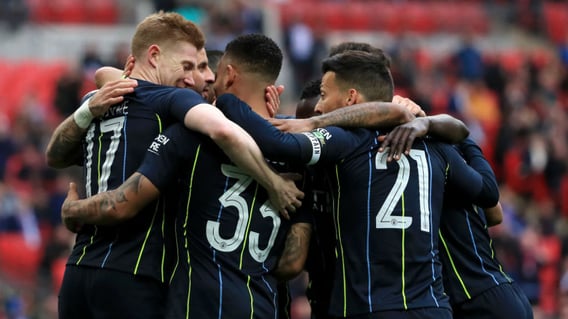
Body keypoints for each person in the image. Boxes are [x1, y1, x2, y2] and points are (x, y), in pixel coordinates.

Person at [46, 12, 302, 319]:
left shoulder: (99, 99)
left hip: (78, 270)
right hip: (137, 275)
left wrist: (86, 109)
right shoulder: (171, 101)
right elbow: (221, 129)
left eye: (202, 68)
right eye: (188, 66)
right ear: (154, 56)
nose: (197, 78)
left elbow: (55, 155)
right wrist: (274, 181)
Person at [216, 49, 500, 318]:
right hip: (433, 306)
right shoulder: (435, 144)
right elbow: (490, 199)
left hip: (367, 306)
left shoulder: (348, 142)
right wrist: (450, 132)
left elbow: (277, 142)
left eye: (324, 95)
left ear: (351, 98)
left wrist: (226, 97)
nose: (318, 107)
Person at [439, 199, 534, 318]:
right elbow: (496, 214)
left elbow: (497, 215)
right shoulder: (468, 184)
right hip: (504, 290)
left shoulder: (438, 184)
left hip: (477, 298)